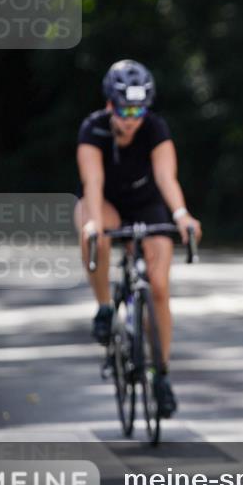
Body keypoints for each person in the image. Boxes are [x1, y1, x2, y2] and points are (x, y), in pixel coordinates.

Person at [74, 60, 202, 418]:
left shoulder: (155, 127)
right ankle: (103, 307)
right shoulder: (93, 129)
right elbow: (93, 184)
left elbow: (166, 178)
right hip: (107, 204)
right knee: (92, 228)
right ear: (110, 105)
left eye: (139, 109)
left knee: (159, 286)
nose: (132, 118)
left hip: (147, 205)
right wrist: (94, 225)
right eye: (125, 109)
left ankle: (161, 374)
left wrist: (181, 215)